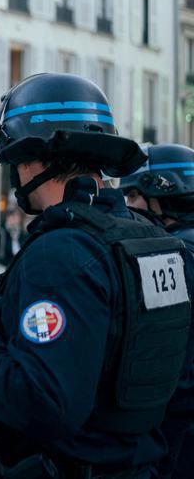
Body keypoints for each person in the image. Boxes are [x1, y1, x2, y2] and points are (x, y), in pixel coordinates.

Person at [0, 73, 194, 478]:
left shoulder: (61, 252)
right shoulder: (154, 242)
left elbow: (42, 404)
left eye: (11, 157)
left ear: (30, 160)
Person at [120, 143, 194, 477]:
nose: (127, 206)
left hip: (178, 428)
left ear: (166, 194)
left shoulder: (174, 255)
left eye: (134, 196)